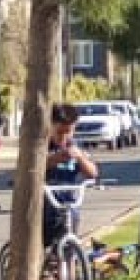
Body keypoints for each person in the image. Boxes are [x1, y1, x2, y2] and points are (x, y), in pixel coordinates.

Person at [39, 104, 101, 252]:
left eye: (69, 132)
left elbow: (93, 173)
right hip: (45, 207)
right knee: (44, 244)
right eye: (60, 132)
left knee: (70, 248)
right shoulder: (42, 147)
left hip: (69, 206)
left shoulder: (74, 147)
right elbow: (33, 168)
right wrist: (54, 159)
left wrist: (80, 158)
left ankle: (70, 272)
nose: (64, 137)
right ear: (51, 126)